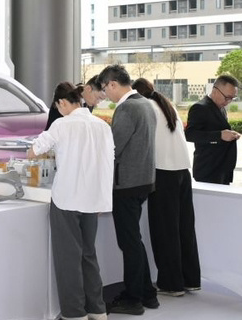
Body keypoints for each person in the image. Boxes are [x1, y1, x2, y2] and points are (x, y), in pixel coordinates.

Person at [28, 82, 114, 320]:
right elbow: (109, 162)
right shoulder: (102, 126)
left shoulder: (61, 124)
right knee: (88, 254)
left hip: (67, 198)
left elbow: (34, 151)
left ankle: (74, 313)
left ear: (62, 103)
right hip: (92, 199)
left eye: (58, 107)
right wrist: (103, 198)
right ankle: (97, 309)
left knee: (68, 258)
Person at [97, 65, 158, 315]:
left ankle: (133, 299)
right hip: (143, 181)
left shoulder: (126, 108)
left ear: (113, 84)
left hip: (126, 184)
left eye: (104, 89)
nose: (105, 95)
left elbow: (113, 148)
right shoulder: (145, 103)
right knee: (134, 240)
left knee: (129, 243)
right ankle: (147, 293)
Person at [131, 78, 201, 296]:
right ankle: (190, 279)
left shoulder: (146, 108)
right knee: (184, 228)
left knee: (165, 230)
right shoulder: (167, 106)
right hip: (182, 172)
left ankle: (171, 284)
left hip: (163, 173)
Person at [185, 74, 241, 184]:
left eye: (232, 98)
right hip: (208, 169)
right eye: (227, 97)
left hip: (222, 168)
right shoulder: (200, 108)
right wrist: (219, 135)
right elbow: (190, 134)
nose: (229, 101)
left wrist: (229, 135)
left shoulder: (220, 107)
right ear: (215, 90)